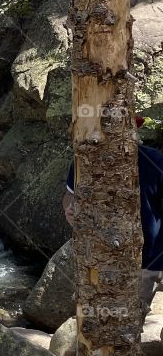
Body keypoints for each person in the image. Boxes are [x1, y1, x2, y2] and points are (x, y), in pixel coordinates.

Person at [63, 119, 163, 301]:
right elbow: (69, 196)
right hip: (96, 259)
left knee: (131, 320)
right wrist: (70, 209)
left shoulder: (155, 161)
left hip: (146, 262)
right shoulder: (83, 161)